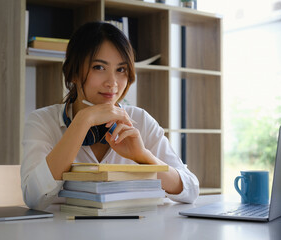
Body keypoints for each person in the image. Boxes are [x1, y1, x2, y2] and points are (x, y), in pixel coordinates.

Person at [21, 21, 199, 210]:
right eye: (99, 67)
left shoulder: (141, 120)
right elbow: (33, 197)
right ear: (73, 72)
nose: (112, 83)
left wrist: (143, 157)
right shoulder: (42, 121)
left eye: (121, 70)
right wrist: (82, 122)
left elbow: (190, 189)